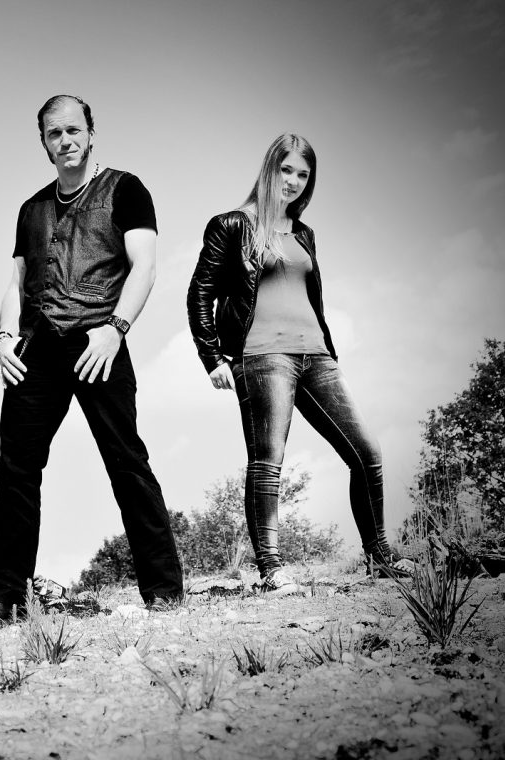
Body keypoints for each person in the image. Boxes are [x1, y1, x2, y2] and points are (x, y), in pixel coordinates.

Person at [0, 95, 184, 631]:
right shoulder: (31, 209)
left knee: (126, 461)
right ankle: (6, 598)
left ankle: (163, 591)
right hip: (35, 347)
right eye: (54, 134)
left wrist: (116, 329)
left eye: (72, 130)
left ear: (90, 132)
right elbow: (16, 282)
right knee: (16, 471)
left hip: (98, 341)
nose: (65, 141)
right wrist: (2, 338)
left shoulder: (126, 189)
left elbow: (145, 267)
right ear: (43, 142)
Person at [186, 134, 415, 596]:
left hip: (317, 356)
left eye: (303, 175)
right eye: (286, 170)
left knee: (367, 453)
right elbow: (199, 294)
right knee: (267, 462)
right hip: (262, 357)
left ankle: (380, 556)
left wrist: (329, 351)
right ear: (270, 169)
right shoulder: (232, 225)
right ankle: (272, 568)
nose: (293, 181)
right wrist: (212, 357)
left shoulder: (304, 233)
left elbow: (310, 297)